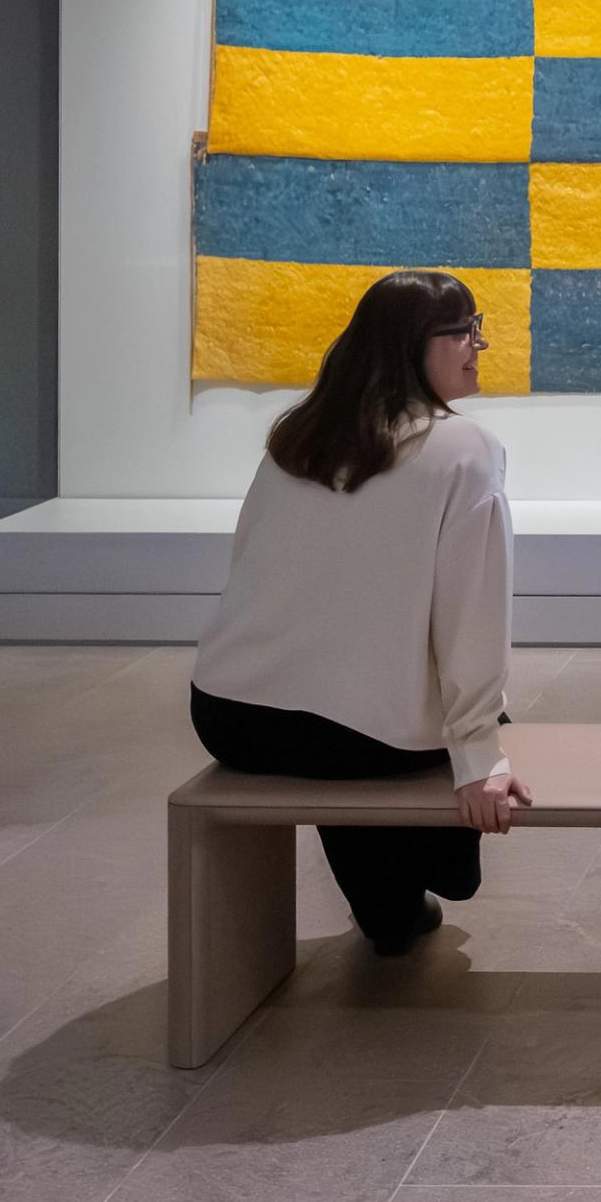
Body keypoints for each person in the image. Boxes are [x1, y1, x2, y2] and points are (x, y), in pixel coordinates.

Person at [189, 270, 530, 956]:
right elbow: (473, 619)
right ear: (413, 345)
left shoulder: (298, 437)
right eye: (462, 330)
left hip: (229, 713)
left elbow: (249, 571)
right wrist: (478, 758)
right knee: (374, 730)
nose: (478, 343)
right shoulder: (465, 450)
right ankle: (415, 880)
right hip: (354, 736)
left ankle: (390, 907)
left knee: (347, 709)